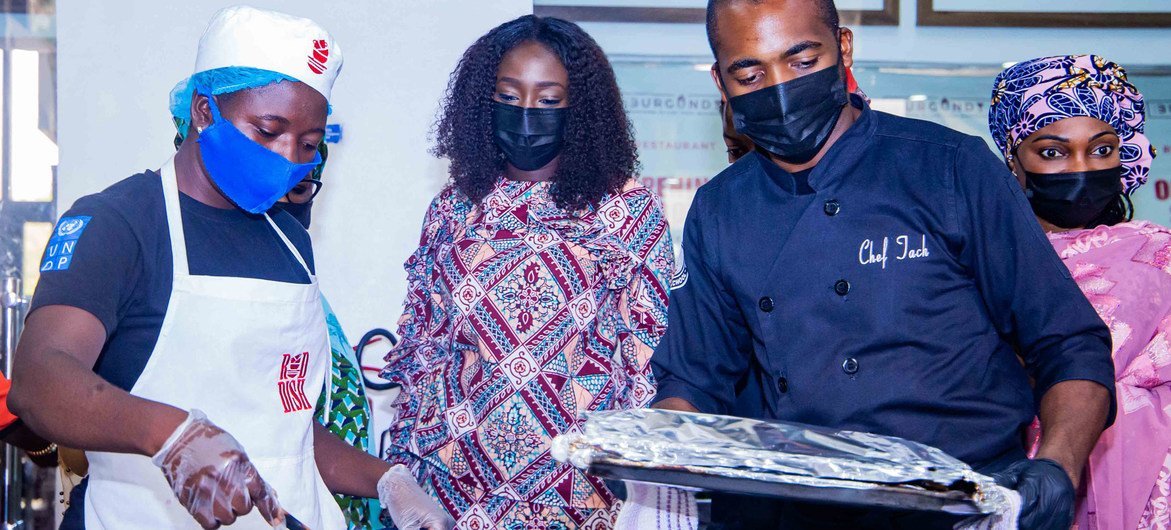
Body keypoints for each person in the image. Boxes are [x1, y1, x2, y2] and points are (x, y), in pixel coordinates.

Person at [650, 1, 1116, 529]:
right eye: (750, 72)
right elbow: (694, 378)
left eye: (802, 62)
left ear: (844, 47)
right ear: (720, 80)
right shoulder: (719, 208)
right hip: (805, 510)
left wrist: (1058, 465)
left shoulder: (950, 166)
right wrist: (645, 460)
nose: (779, 87)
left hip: (965, 503)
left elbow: (1068, 341)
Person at [8, 6, 450, 530]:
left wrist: (385, 479)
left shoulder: (287, 238)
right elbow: (39, 382)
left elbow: (285, 431)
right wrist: (170, 435)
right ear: (202, 110)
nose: (287, 157)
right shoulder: (121, 222)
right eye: (268, 131)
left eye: (307, 145)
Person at [381, 15, 674, 529]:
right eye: (510, 96)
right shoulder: (454, 209)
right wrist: (402, 471)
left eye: (549, 99)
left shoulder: (627, 210)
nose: (526, 113)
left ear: (579, 108)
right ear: (482, 102)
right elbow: (424, 346)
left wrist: (643, 490)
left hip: (575, 493)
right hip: (452, 489)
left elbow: (644, 358)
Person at [989, 54, 1170, 530]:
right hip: (1002, 477)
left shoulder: (1156, 255)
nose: (1081, 167)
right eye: (1052, 151)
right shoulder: (984, 260)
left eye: (1102, 149)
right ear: (1013, 156)